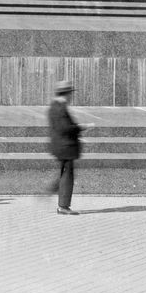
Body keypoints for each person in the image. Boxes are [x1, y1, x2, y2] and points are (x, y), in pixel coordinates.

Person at [47, 79, 91, 214]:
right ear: (65, 94)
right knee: (67, 175)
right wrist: (81, 128)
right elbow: (64, 128)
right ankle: (63, 206)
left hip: (62, 146)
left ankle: (55, 191)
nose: (71, 96)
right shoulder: (59, 108)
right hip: (65, 146)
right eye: (70, 93)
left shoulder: (56, 106)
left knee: (65, 173)